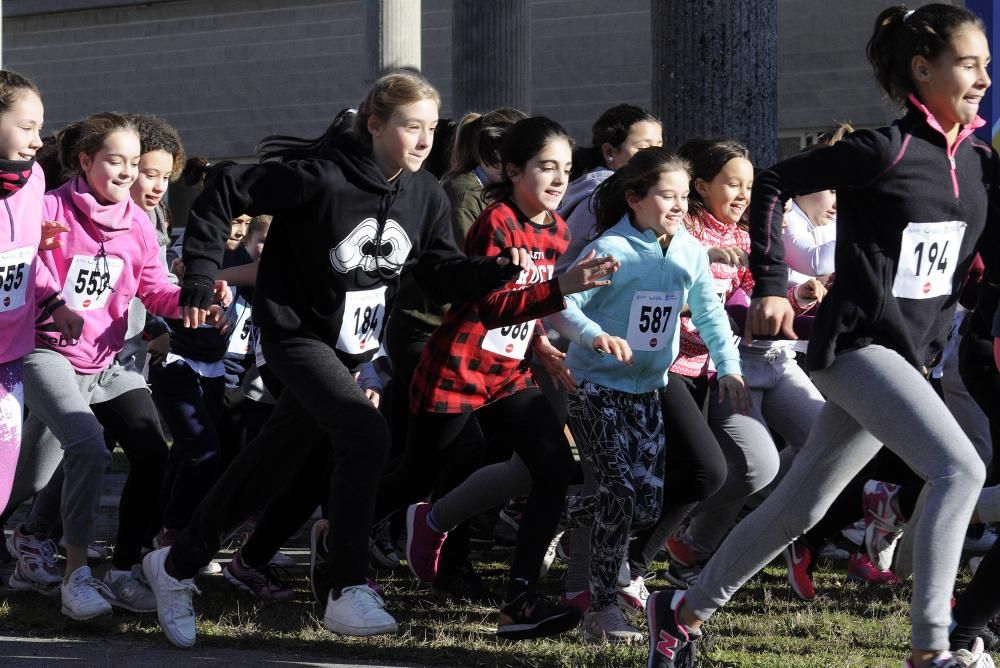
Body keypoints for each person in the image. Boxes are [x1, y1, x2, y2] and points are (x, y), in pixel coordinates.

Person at [141, 70, 548, 648]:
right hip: (294, 335)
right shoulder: (320, 178)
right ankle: (345, 586)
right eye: (412, 126)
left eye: (433, 128)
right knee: (366, 432)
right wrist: (202, 275)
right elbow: (226, 189)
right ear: (375, 124)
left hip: (349, 348)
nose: (425, 139)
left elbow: (435, 273)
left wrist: (493, 270)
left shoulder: (425, 194)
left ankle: (177, 565)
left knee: (268, 463)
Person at [647, 5, 998, 667]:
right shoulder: (883, 149)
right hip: (856, 347)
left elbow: (972, 264)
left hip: (910, 357)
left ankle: (682, 613)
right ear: (923, 70)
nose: (982, 77)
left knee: (801, 505)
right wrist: (773, 284)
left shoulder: (977, 163)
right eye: (968, 63)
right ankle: (929, 651)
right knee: (959, 469)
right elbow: (777, 180)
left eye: (986, 64)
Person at [389, 115, 618, 640]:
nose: (559, 179)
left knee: (555, 469)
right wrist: (561, 287)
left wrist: (543, 342)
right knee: (413, 474)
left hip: (509, 374)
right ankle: (341, 539)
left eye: (565, 168)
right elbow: (491, 308)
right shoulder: (496, 222)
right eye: (546, 167)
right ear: (514, 170)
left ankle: (520, 599)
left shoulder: (557, 230)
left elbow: (527, 309)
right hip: (458, 368)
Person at [5, 112, 226, 621]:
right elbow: (27, 264)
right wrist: (55, 301)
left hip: (106, 362)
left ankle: (125, 572)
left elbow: (155, 290)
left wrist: (197, 301)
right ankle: (75, 575)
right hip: (47, 352)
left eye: (134, 164)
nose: (127, 173)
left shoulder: (141, 224)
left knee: (150, 451)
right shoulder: (49, 208)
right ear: (86, 161)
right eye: (115, 161)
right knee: (86, 447)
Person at [545, 146, 747, 643]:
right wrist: (595, 336)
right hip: (596, 387)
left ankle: (548, 514)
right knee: (619, 493)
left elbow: (710, 313)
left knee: (646, 504)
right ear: (634, 198)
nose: (678, 206)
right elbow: (560, 307)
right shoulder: (610, 250)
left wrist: (729, 367)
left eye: (683, 196)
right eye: (666, 195)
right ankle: (602, 610)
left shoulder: (689, 252)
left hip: (648, 390)